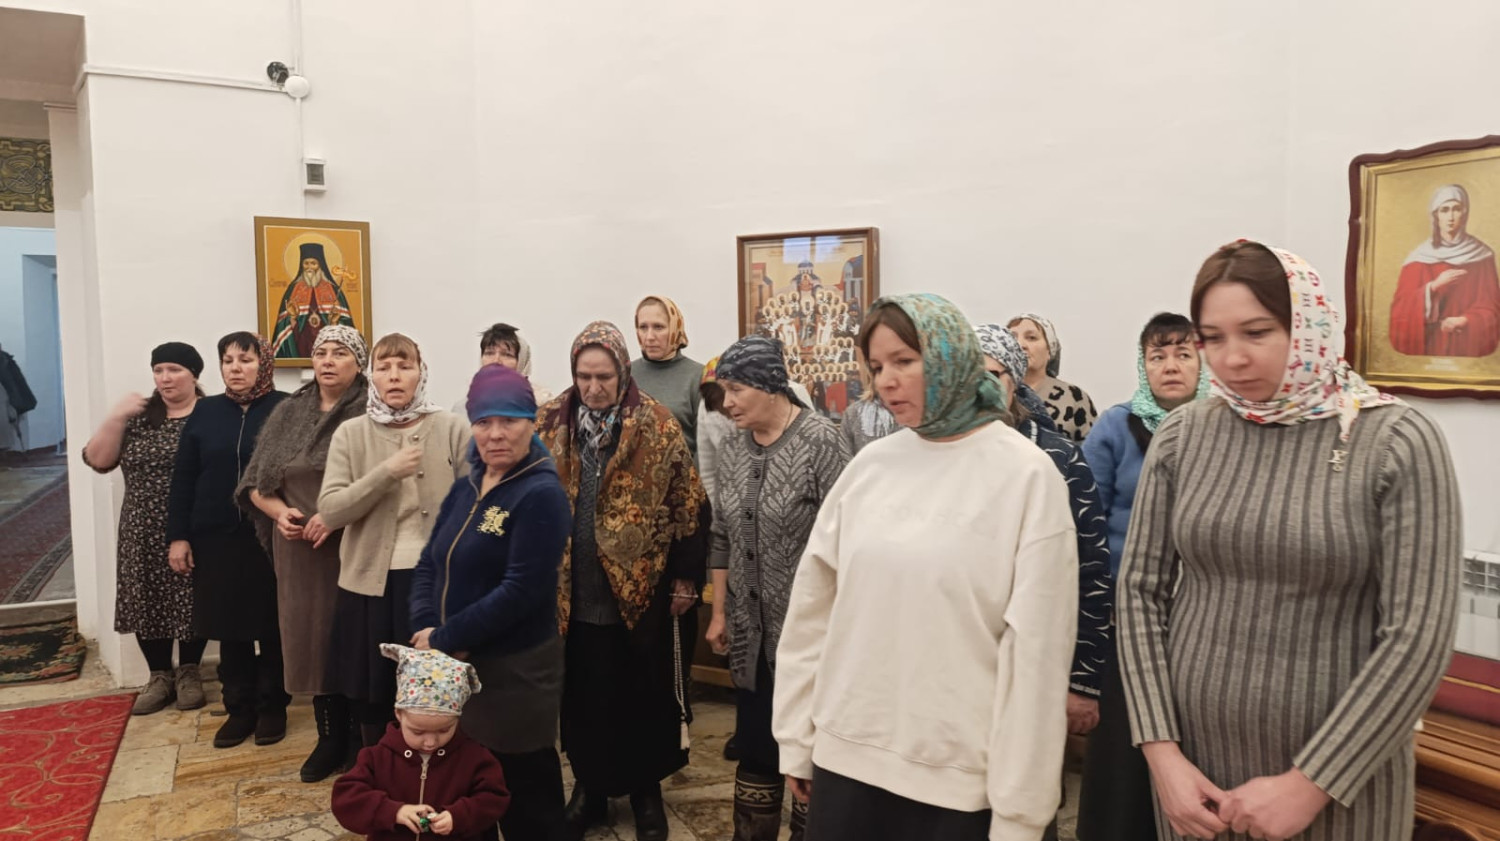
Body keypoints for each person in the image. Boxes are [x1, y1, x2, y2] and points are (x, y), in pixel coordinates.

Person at [1119, 241, 1461, 841]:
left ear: (1308, 325)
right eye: (1212, 338)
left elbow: (1417, 635)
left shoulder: (1395, 441)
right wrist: (1162, 755)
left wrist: (1312, 783)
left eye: (1257, 332)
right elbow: (1140, 593)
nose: (1233, 358)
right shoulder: (1183, 436)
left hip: (1341, 784)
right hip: (1195, 775)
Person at [773, 295, 1078, 841]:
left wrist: (1022, 810)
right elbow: (813, 611)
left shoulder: (1027, 476)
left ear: (950, 357)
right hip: (847, 760)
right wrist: (797, 737)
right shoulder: (871, 467)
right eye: (876, 366)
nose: (886, 381)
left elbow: (1036, 656)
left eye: (904, 360)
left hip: (959, 781)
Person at [536, 321, 709, 841]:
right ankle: (589, 790)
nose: (593, 388)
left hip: (641, 590)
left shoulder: (656, 423)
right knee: (583, 696)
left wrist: (686, 578)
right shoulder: (550, 422)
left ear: (623, 372)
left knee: (642, 695)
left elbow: (689, 503)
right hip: (571, 592)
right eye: (584, 377)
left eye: (604, 377)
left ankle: (644, 793)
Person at [411, 363, 573, 841]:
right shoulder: (468, 485)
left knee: (526, 802)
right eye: (484, 421)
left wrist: (445, 637)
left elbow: (522, 590)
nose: (496, 434)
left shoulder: (540, 493)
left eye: (509, 420)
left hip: (514, 673)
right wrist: (426, 626)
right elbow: (431, 561)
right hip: (457, 667)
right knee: (468, 802)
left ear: (531, 424)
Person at [702, 335, 850, 841]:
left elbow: (849, 541)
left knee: (811, 760)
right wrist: (719, 613)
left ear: (770, 386)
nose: (727, 403)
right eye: (724, 390)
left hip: (811, 643)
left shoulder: (822, 443)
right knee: (758, 749)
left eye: (736, 389)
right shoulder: (732, 447)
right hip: (752, 637)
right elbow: (721, 536)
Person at [975, 322, 1113, 840]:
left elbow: (1091, 572)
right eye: (967, 374)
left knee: (1027, 805)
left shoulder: (1058, 457)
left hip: (1036, 669)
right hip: (966, 670)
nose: (978, 387)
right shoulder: (942, 453)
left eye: (991, 375)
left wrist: (1083, 682)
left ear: (1013, 381)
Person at [1074, 312, 1207, 841]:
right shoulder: (1116, 426)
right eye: (1158, 356)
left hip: (1201, 616)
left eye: (1183, 354)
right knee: (1125, 746)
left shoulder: (1224, 425)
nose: (1170, 366)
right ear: (1143, 365)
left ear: (1201, 363)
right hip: (1125, 614)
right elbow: (1087, 525)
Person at [318, 333, 471, 746]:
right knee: (374, 694)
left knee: (436, 693)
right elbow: (331, 511)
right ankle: (381, 768)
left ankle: (438, 773)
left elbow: (477, 504)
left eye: (405, 366)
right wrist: (386, 472)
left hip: (436, 586)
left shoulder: (452, 428)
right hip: (370, 584)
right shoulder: (351, 433)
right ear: (371, 377)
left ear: (422, 373)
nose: (395, 376)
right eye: (384, 367)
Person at [235, 325, 368, 782]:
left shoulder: (371, 412)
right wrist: (280, 513)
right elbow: (254, 484)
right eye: (321, 352)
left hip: (353, 544)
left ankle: (360, 738)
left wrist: (334, 515)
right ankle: (328, 738)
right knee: (309, 641)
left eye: (340, 353)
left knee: (352, 638)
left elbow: (383, 485)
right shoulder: (289, 411)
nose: (328, 360)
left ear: (359, 364)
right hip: (298, 551)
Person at [166, 332, 288, 748]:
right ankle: (239, 708)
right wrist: (178, 537)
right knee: (229, 627)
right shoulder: (206, 411)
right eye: (228, 360)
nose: (236, 368)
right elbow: (184, 477)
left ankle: (273, 706)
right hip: (215, 537)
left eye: (246, 360)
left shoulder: (286, 408)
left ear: (264, 364)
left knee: (272, 625)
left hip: (269, 536)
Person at [83, 341, 208, 715]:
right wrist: (115, 417)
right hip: (140, 528)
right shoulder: (138, 418)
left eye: (174, 370)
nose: (165, 378)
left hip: (193, 524)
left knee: (192, 597)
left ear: (194, 374)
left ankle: (189, 672)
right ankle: (159, 676)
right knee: (146, 597)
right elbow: (98, 460)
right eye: (158, 370)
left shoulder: (209, 415)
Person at [332, 644, 510, 841]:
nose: (430, 742)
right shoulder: (376, 757)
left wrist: (460, 815)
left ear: (457, 719)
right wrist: (392, 811)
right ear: (399, 714)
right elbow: (345, 800)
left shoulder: (474, 757)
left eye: (444, 730)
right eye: (417, 731)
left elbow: (494, 798)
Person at [1389, 183, 1500, 357]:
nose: (1451, 217)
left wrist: (1465, 320)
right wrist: (1433, 287)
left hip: (1464, 344)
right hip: (1429, 346)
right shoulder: (1418, 258)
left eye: (1456, 209)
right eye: (1444, 210)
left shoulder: (1482, 256)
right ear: (1435, 216)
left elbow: (1492, 307)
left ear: (1465, 213)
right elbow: (1400, 310)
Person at [631, 295, 705, 461]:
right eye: (643, 327)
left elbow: (706, 447)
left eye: (658, 327)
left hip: (684, 475)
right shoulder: (625, 376)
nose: (650, 336)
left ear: (675, 328)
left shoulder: (698, 377)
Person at [1007, 313, 1098, 441]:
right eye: (1012, 338)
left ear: (1050, 350)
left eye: (1031, 338)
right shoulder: (994, 392)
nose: (1020, 344)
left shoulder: (1073, 397)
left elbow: (1091, 448)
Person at [272, 242, 357, 360]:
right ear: (301, 265)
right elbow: (282, 325)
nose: (309, 267)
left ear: (320, 265)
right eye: (306, 263)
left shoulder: (333, 290)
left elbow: (347, 326)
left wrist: (334, 322)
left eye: (313, 263)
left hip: (329, 347)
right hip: (300, 344)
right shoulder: (292, 290)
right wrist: (292, 318)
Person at [452, 322, 554, 413]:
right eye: (489, 353)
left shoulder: (542, 407)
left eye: (507, 355)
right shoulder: (463, 409)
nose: (496, 361)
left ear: (522, 363)